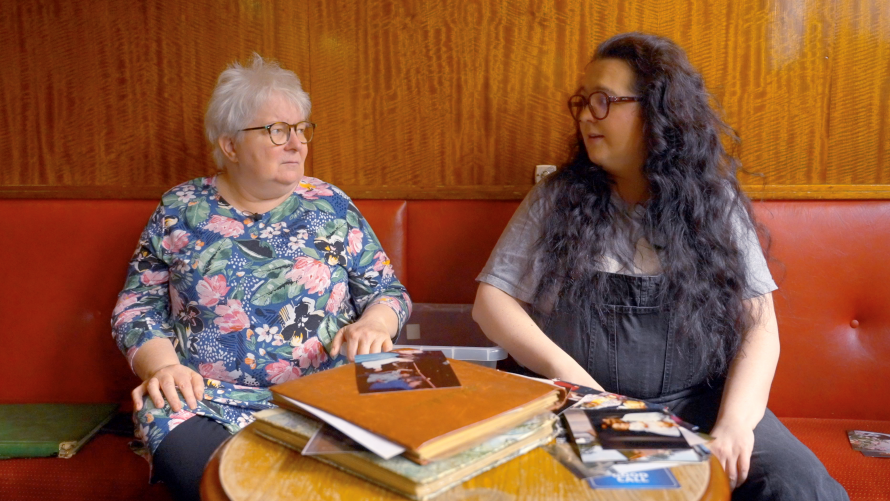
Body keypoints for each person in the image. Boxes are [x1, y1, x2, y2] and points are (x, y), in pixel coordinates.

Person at [473, 33, 847, 500]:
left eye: (605, 100)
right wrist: (581, 387)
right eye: (584, 101)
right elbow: (491, 301)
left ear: (658, 110)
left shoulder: (715, 204)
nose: (588, 114)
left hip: (698, 404)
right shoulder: (555, 197)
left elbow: (760, 327)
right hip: (578, 402)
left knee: (798, 486)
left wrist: (734, 425)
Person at [111, 54, 412, 501]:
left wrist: (374, 325)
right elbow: (136, 308)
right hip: (206, 402)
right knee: (209, 468)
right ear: (230, 146)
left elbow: (387, 291)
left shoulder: (331, 204)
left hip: (331, 394)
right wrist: (165, 367)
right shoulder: (180, 209)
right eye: (277, 130)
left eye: (301, 128)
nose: (296, 143)